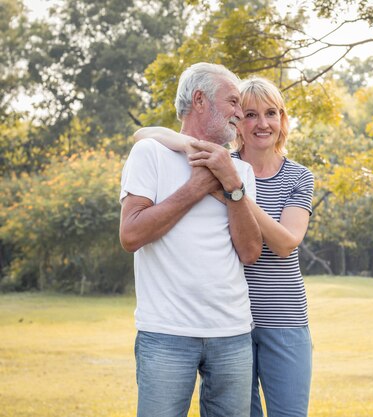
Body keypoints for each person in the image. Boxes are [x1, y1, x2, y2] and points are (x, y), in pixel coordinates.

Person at [134, 77, 314, 417]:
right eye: (250, 114)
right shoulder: (218, 161)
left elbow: (287, 243)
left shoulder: (293, 176)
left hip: (283, 317)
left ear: (282, 120)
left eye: (271, 113)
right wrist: (201, 155)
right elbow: (144, 134)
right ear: (237, 123)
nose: (263, 123)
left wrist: (233, 188)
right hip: (234, 325)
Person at [119, 62, 262, 417]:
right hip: (166, 332)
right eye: (232, 101)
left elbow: (250, 251)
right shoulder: (151, 153)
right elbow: (131, 234)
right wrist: (196, 187)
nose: (239, 113)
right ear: (200, 100)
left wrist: (231, 184)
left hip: (232, 333)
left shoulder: (240, 170)